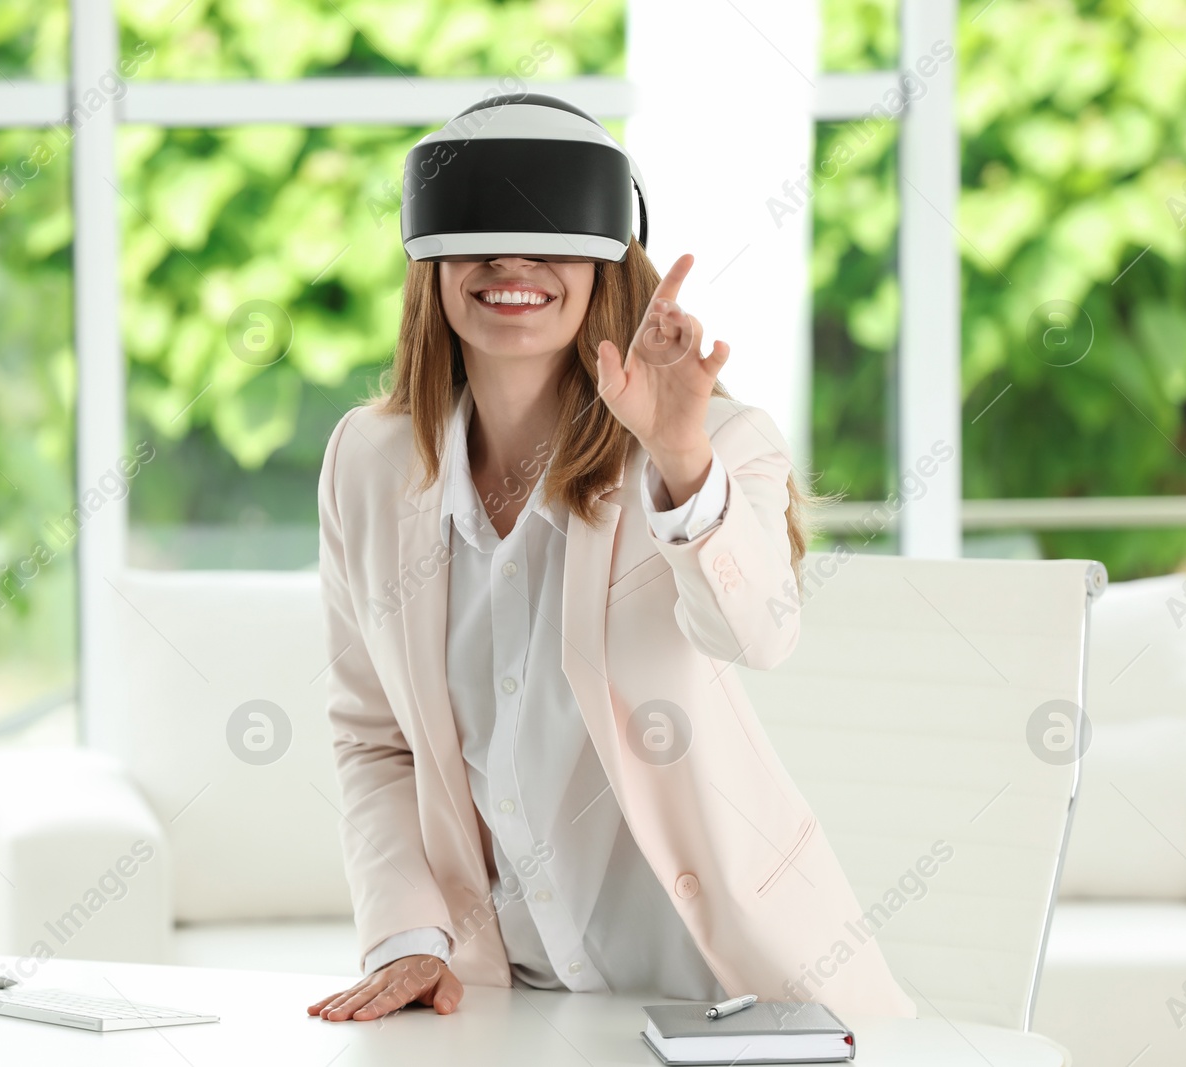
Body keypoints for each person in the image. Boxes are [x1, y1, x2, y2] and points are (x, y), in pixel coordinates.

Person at [308, 103, 913, 1025]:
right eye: (481, 239)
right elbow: (373, 738)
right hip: (509, 999)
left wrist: (678, 456)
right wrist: (408, 937)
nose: (513, 266)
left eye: (548, 238)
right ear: (429, 261)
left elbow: (762, 632)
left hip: (725, 991)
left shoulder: (717, 443)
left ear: (609, 254)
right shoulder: (368, 461)